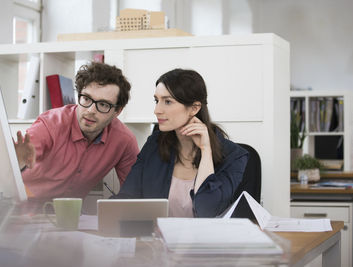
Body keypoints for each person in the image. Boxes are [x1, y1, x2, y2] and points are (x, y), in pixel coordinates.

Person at [117, 68, 249, 217]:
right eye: (156, 100)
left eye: (167, 102)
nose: (157, 110)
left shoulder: (234, 156)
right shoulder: (154, 144)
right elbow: (127, 197)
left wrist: (206, 150)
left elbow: (207, 210)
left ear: (194, 108)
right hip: (156, 238)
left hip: (205, 239)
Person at [14, 62, 139, 201]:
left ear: (117, 111)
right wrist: (18, 162)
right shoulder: (50, 124)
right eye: (86, 98)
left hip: (69, 218)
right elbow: (15, 164)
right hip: (22, 208)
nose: (90, 111)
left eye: (103, 104)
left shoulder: (124, 140)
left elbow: (134, 192)